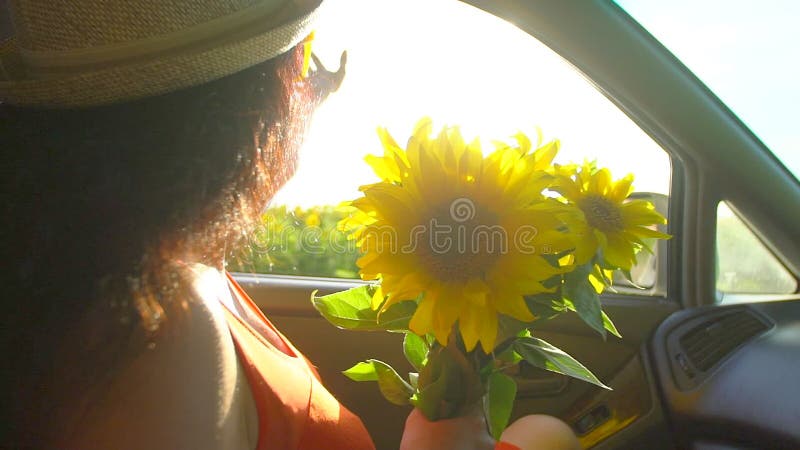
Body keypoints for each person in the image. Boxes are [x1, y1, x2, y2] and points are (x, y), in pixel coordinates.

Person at [0, 0, 581, 449]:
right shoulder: (158, 334)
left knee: (543, 428)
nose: (313, 91)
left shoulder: (158, 263)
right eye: (306, 62)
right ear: (241, 110)